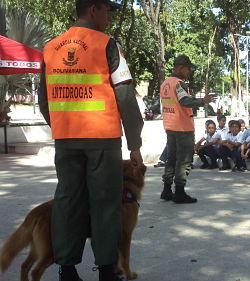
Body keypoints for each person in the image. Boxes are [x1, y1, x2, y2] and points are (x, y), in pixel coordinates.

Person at [39, 1, 144, 280]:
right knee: (105, 202)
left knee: (67, 199)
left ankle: (67, 270)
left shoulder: (50, 47)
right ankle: (107, 270)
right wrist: (135, 143)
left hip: (66, 139)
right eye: (107, 11)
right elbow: (124, 95)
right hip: (102, 138)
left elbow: (43, 100)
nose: (109, 17)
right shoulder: (108, 45)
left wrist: (62, 126)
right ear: (94, 9)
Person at [159, 55, 217, 204]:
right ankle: (179, 192)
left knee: (171, 158)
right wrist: (202, 101)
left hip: (170, 126)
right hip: (182, 127)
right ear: (180, 68)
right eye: (188, 69)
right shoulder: (179, 84)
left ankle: (166, 190)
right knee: (184, 160)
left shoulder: (165, 83)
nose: (189, 72)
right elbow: (185, 101)